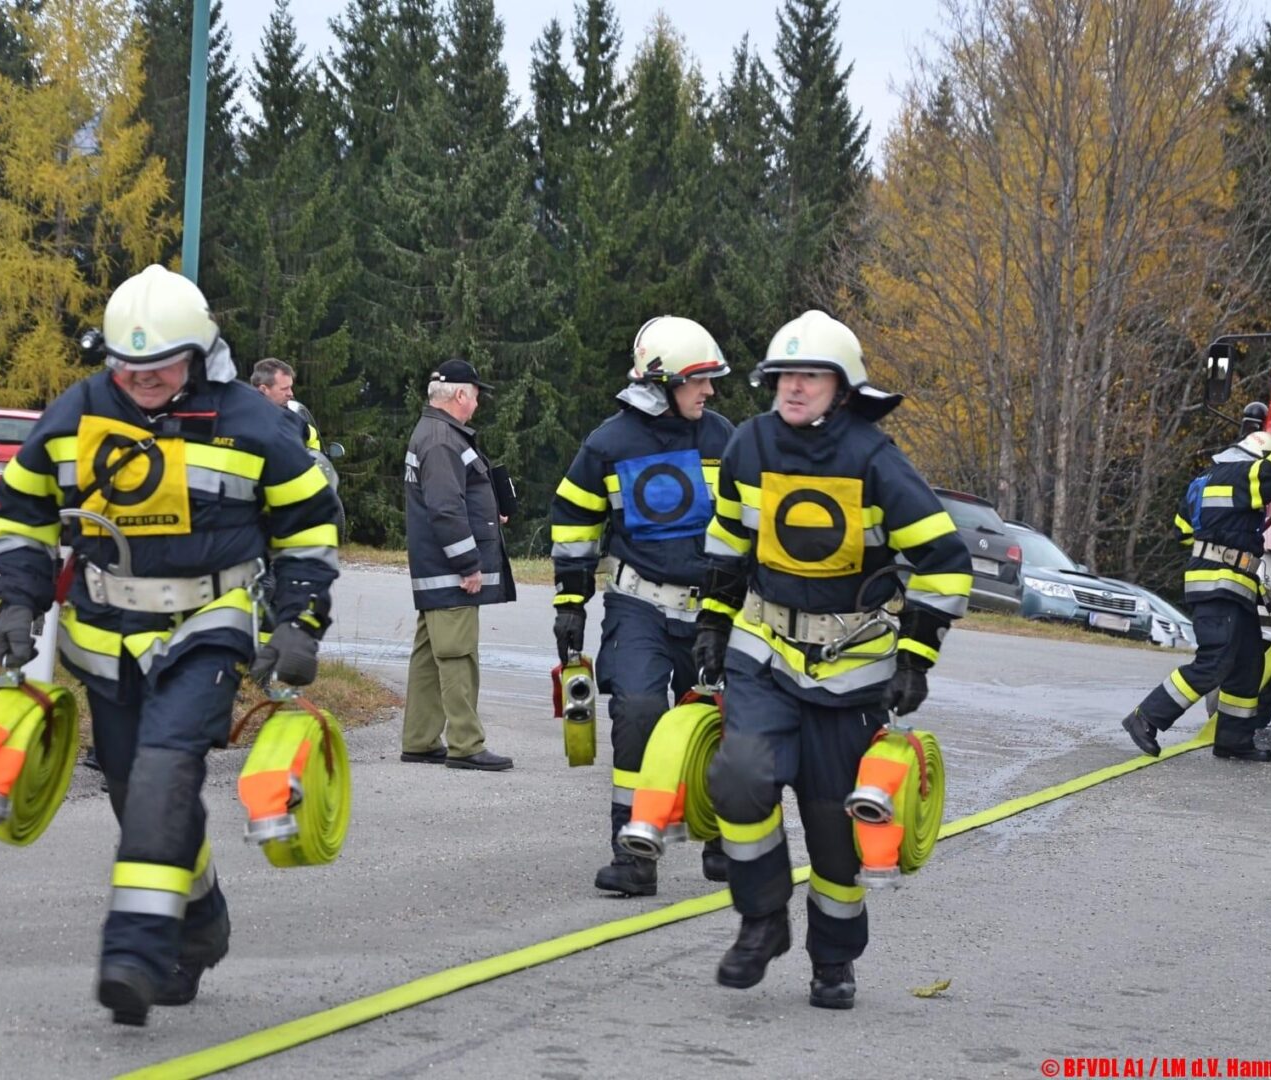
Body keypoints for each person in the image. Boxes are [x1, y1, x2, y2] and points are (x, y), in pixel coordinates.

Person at [0, 265, 343, 1025]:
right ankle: (201, 921)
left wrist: (299, 623)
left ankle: (135, 953)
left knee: (164, 770)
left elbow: (309, 528)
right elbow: (22, 511)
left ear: (199, 352)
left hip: (207, 630)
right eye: (127, 368)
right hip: (101, 638)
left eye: (161, 367)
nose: (142, 382)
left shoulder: (253, 421)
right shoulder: (76, 413)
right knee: (131, 790)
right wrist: (16, 602)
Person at [694, 310, 972, 1009]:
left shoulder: (875, 461)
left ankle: (833, 960)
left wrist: (916, 655)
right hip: (763, 654)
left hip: (851, 672)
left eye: (810, 376)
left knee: (834, 835)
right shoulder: (749, 446)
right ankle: (761, 921)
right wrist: (712, 620)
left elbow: (944, 561)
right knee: (740, 776)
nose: (793, 388)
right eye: (784, 375)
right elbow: (729, 541)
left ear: (841, 388)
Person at [549, 315, 736, 897]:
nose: (709, 392)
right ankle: (635, 854)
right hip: (639, 606)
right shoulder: (608, 444)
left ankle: (727, 840)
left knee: (736, 722)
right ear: (663, 382)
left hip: (715, 612)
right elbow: (576, 523)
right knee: (636, 710)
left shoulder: (724, 439)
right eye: (699, 381)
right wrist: (571, 603)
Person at [1121, 409, 1271, 762]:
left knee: (1249, 663)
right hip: (1221, 585)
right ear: (1258, 456)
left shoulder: (1205, 479)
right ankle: (1146, 717)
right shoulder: (1243, 474)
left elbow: (1183, 532)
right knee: (1214, 662)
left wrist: (1228, 533)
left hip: (1225, 587)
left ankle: (1233, 739)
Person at [401, 359, 517, 771]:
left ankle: (419, 739)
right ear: (460, 395)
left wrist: (490, 510)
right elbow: (446, 509)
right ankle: (466, 745)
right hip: (449, 569)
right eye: (476, 394)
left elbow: (454, 497)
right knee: (456, 654)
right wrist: (469, 564)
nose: (479, 402)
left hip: (436, 567)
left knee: (429, 654)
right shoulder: (441, 439)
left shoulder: (438, 433)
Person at [250, 357, 322, 451]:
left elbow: (313, 443)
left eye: (290, 387)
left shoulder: (295, 422)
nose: (291, 394)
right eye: (284, 389)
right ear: (263, 390)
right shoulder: (240, 422)